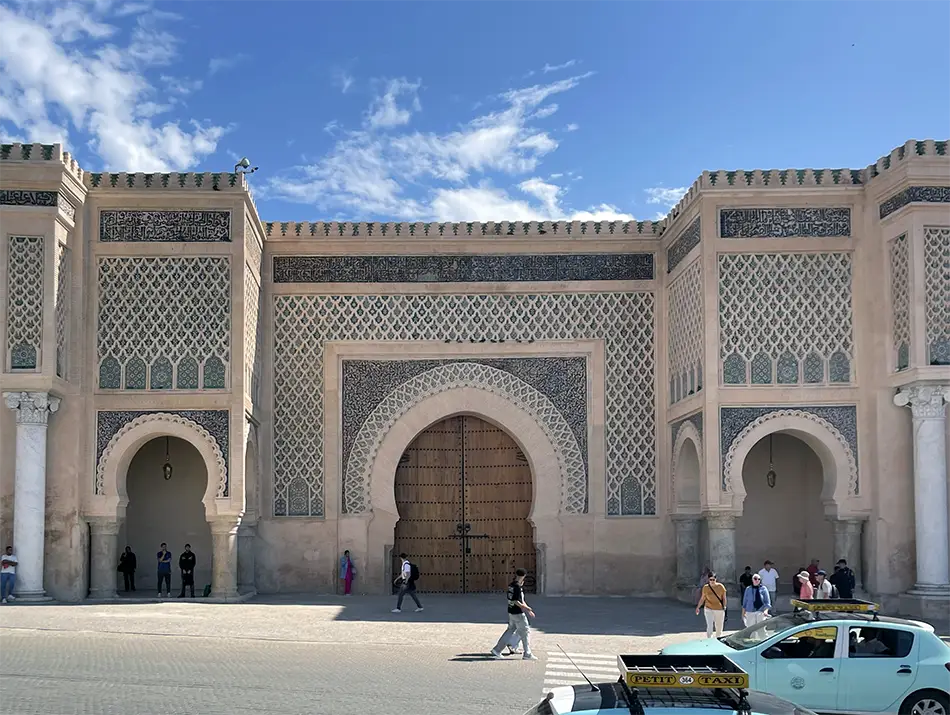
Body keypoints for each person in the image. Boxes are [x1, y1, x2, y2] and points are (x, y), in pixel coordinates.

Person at [490, 568, 538, 660]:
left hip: (511, 611)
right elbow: (516, 601)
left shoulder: (511, 586)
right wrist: (527, 608)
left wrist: (528, 610)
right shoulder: (517, 587)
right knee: (525, 631)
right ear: (523, 576)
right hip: (518, 613)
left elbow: (519, 599)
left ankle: (498, 649)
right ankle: (527, 653)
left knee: (510, 630)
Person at [695, 571, 727, 638]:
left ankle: (718, 639)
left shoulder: (721, 587)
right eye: (710, 580)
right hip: (708, 608)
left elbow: (724, 598)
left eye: (713, 579)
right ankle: (709, 640)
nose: (712, 581)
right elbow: (703, 598)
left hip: (719, 609)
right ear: (708, 580)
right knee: (709, 626)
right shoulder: (706, 587)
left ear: (716, 579)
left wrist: (724, 607)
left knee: (719, 626)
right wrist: (698, 607)